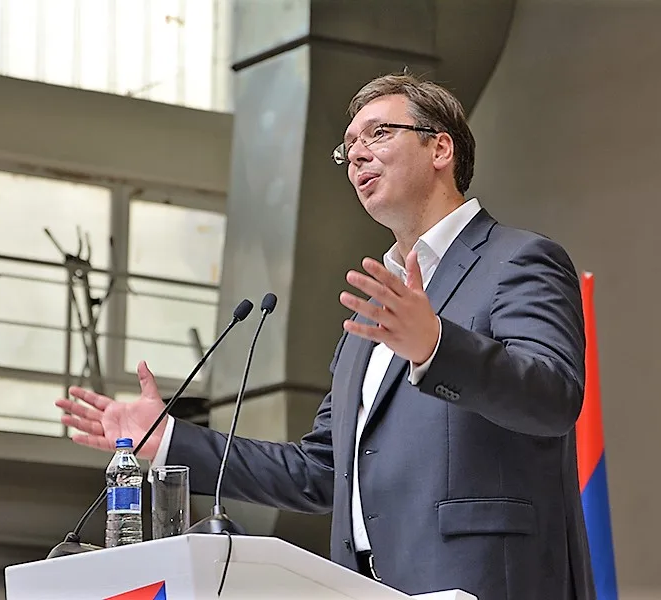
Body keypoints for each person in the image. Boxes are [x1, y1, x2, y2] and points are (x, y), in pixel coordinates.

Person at [56, 73, 596, 600]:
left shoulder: (517, 261)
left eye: (378, 134)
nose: (357, 155)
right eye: (348, 147)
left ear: (440, 148)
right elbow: (319, 471)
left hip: (482, 582)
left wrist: (435, 347)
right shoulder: (375, 310)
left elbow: (553, 398)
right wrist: (169, 439)